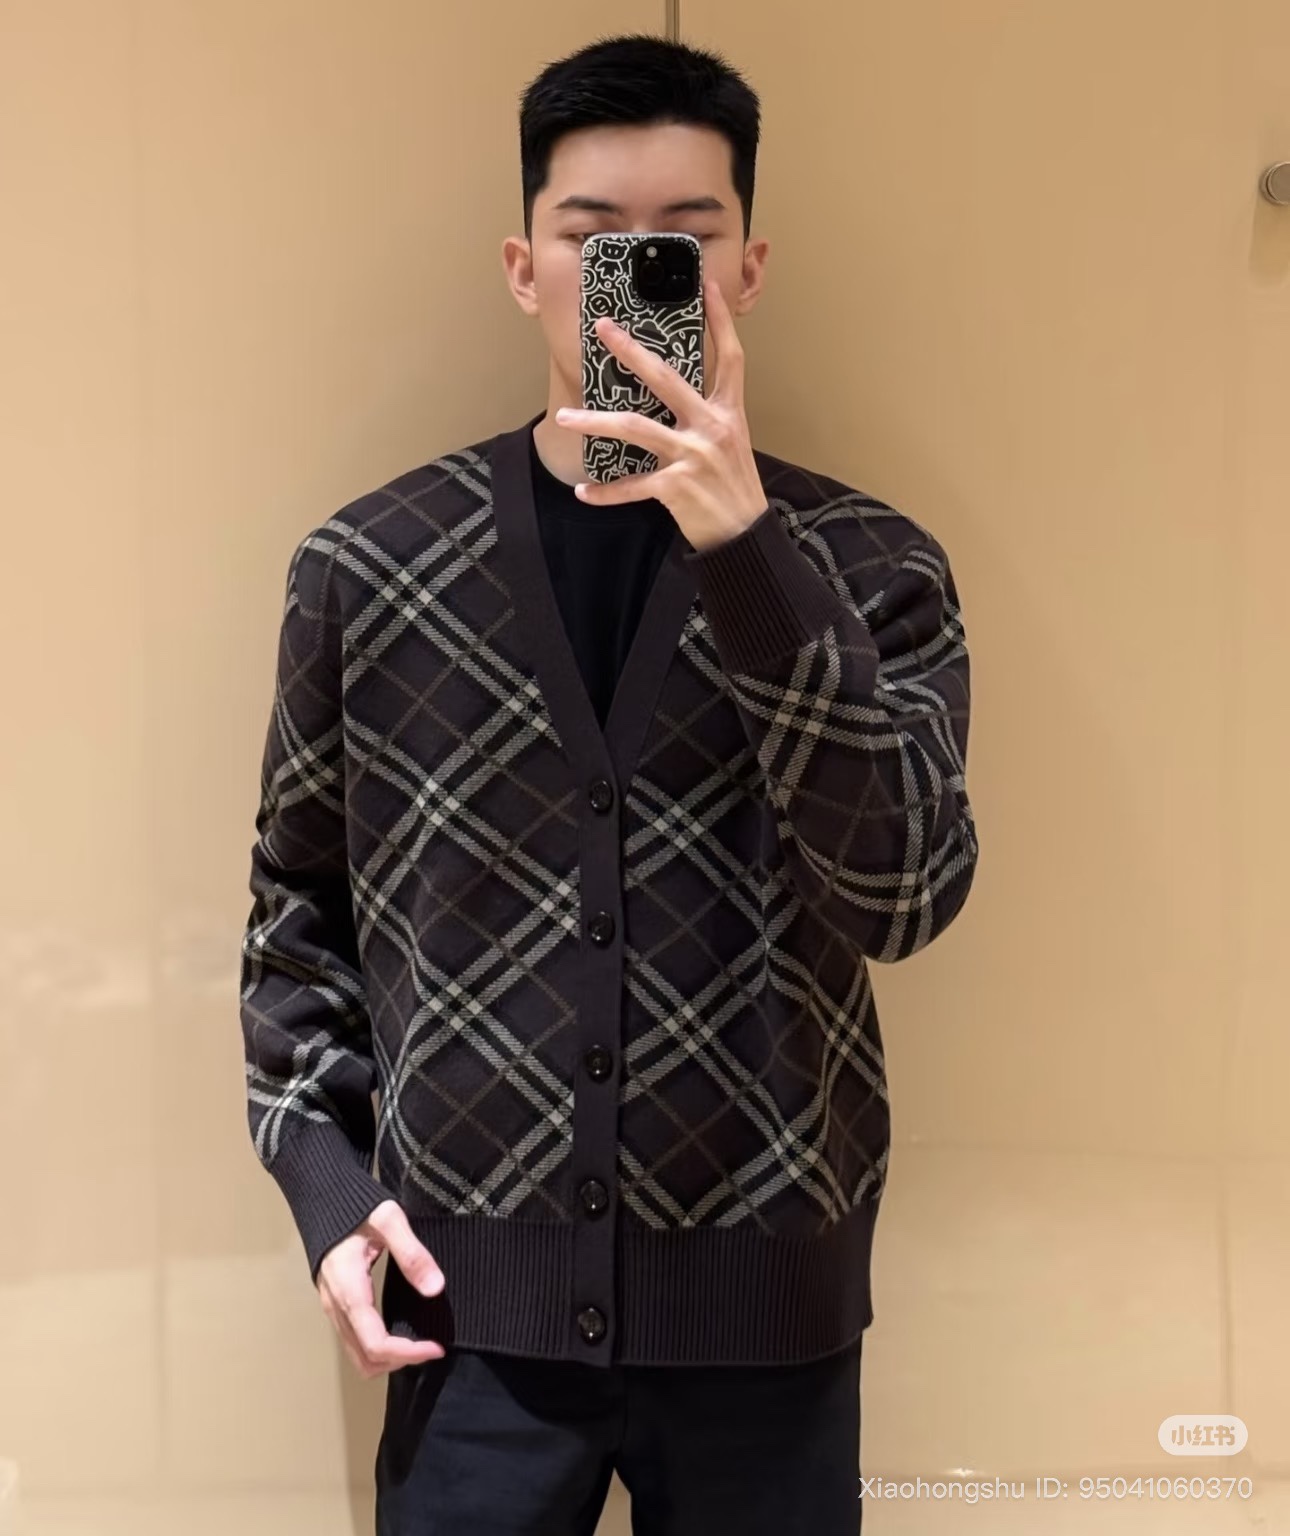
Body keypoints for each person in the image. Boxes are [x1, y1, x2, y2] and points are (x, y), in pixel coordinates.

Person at [238, 31, 978, 1536]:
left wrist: (746, 554)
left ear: (747, 271)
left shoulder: (870, 568)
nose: (634, 273)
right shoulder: (369, 569)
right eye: (593, 237)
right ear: (526, 269)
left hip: (767, 1324)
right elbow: (296, 918)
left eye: (683, 241)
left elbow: (904, 896)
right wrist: (325, 1183)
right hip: (462, 1320)